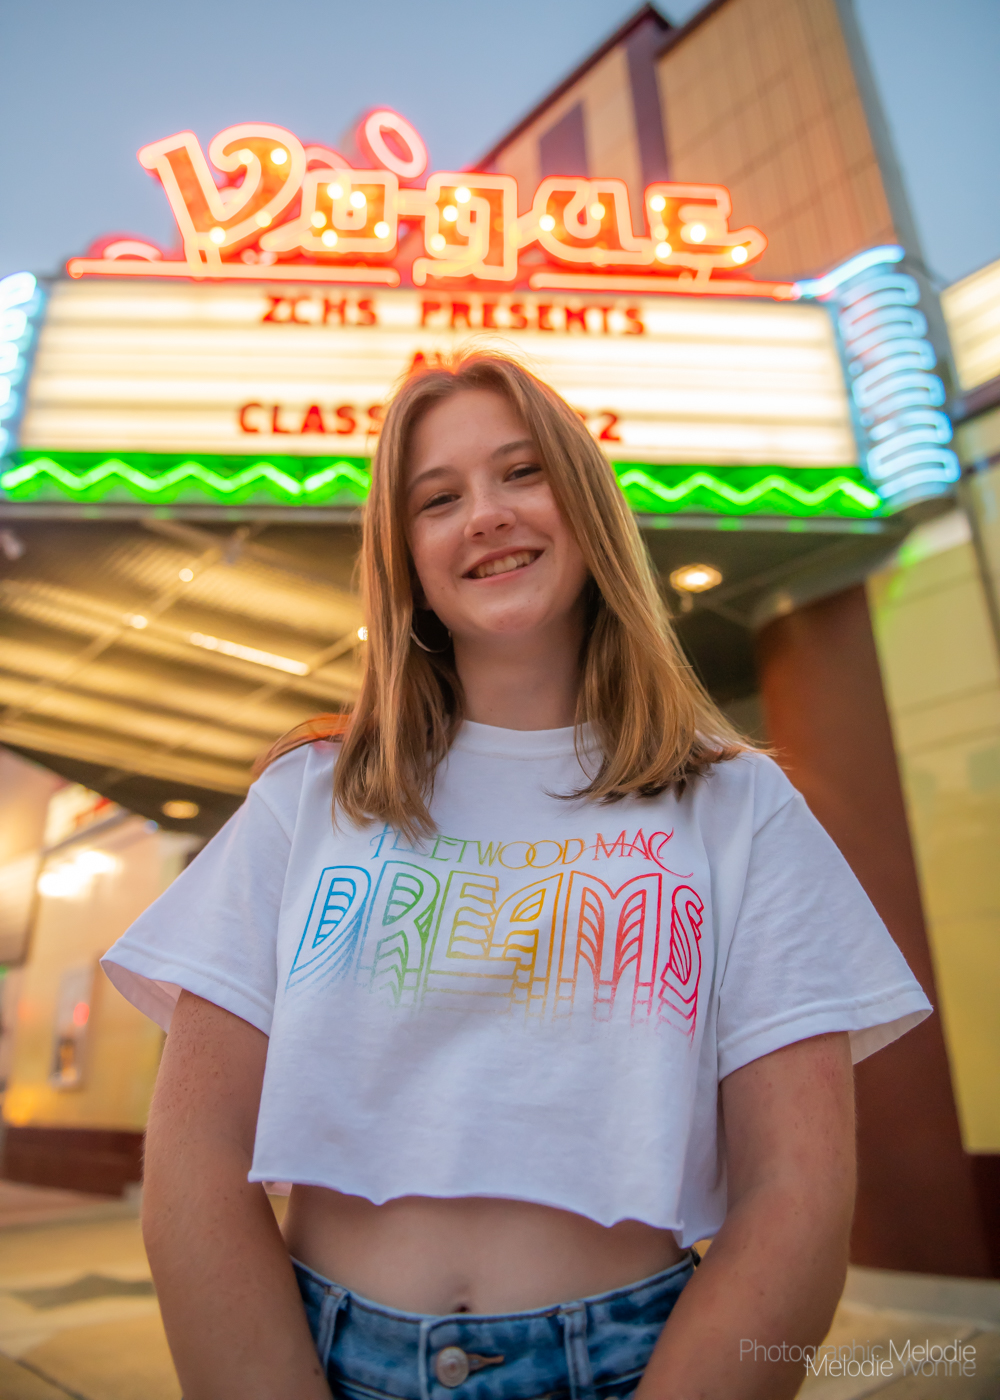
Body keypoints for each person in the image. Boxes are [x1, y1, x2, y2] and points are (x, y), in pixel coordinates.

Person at [103, 351, 931, 1400]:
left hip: (631, 1362)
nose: (485, 514)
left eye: (521, 472)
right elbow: (194, 1164)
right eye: (438, 498)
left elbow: (795, 1191)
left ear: (586, 505)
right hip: (324, 1354)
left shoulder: (738, 804)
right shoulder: (308, 797)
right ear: (407, 558)